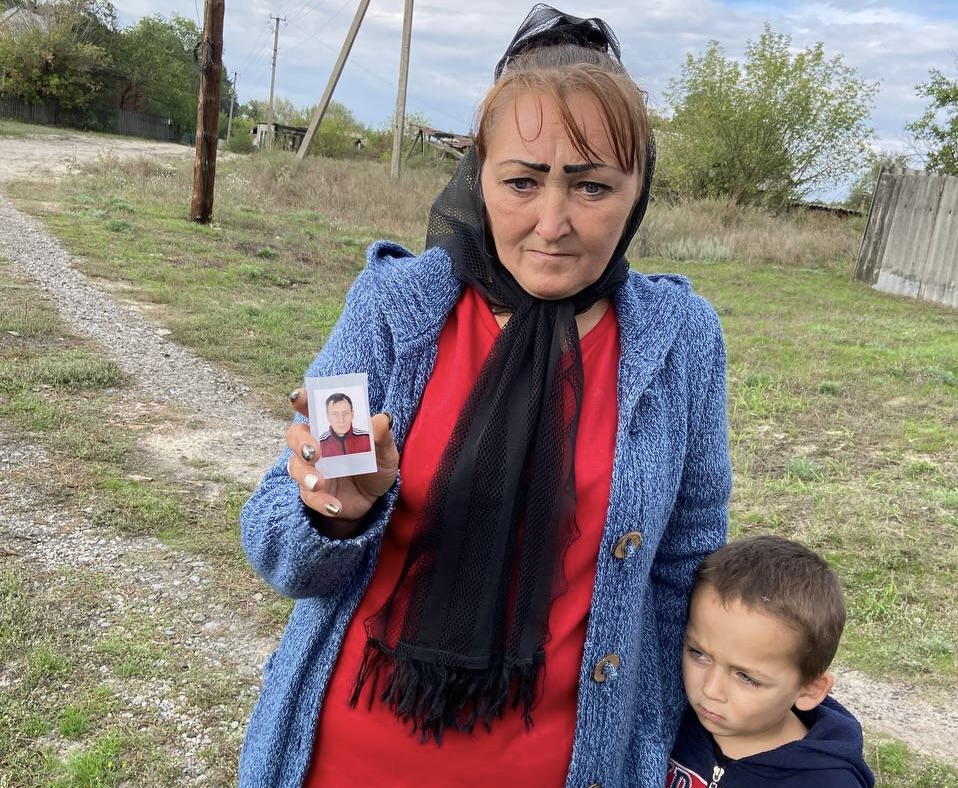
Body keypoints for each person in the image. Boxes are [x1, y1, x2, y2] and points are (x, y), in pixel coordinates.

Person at [239, 5, 732, 787]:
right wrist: (337, 510)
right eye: (522, 181)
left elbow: (686, 568)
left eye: (592, 185)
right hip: (347, 760)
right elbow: (278, 551)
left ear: (637, 193)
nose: (553, 222)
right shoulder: (393, 310)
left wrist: (669, 749)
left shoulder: (682, 340)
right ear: (480, 177)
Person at [666, 535, 875, 787]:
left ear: (809, 690)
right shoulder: (672, 722)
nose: (710, 689)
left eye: (746, 677)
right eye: (699, 654)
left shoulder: (826, 780)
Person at [317, 392, 372, 456]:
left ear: (352, 414)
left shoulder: (367, 439)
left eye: (345, 413)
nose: (341, 420)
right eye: (335, 414)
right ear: (328, 417)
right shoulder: (319, 444)